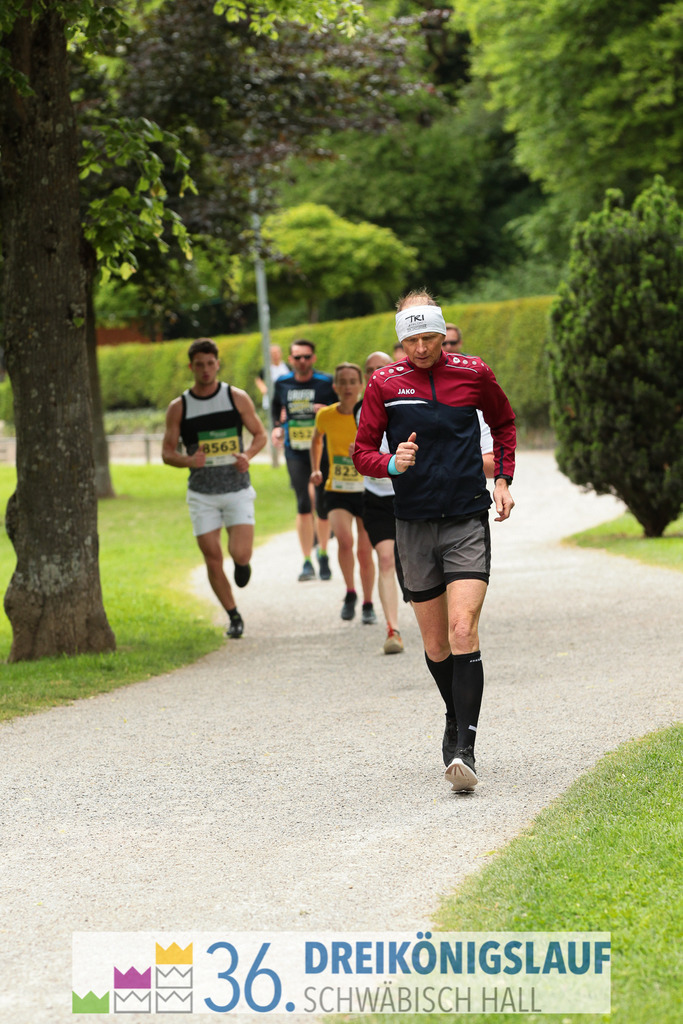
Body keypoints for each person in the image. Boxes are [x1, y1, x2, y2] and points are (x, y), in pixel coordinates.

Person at [353, 291, 516, 792]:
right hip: (414, 521)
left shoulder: (473, 371)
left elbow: (503, 422)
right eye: (412, 340)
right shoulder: (384, 383)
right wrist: (391, 463)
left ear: (444, 332)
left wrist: (503, 478)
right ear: (400, 340)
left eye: (430, 337)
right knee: (436, 642)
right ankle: (453, 714)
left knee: (464, 628)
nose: (422, 348)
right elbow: (361, 452)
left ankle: (465, 747)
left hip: (466, 517)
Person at [162, 338, 267, 639]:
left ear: (217, 364)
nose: (206, 370)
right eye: (199, 365)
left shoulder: (236, 397)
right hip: (201, 495)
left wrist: (247, 456)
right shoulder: (179, 407)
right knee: (212, 557)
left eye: (210, 363)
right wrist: (188, 460)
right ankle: (233, 615)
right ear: (191, 367)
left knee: (240, 552)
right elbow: (167, 453)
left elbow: (259, 435)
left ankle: (243, 564)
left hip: (236, 489)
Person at [310, 363, 376, 623]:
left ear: (361, 385)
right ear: (335, 387)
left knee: (364, 549)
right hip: (336, 487)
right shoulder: (325, 415)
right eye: (343, 382)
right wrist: (316, 468)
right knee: (345, 540)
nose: (348, 387)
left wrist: (363, 454)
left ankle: (368, 602)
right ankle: (350, 593)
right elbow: (315, 440)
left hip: (367, 488)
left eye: (352, 381)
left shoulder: (372, 413)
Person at [354, 351, 407, 654]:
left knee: (412, 562)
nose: (376, 374)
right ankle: (393, 630)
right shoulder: (361, 409)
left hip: (408, 495)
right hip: (376, 496)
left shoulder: (409, 400)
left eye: (381, 368)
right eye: (370, 369)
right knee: (385, 559)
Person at [271, 339, 336, 582]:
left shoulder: (326, 382)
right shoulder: (282, 383)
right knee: (302, 503)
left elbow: (341, 409)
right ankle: (307, 560)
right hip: (295, 449)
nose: (302, 361)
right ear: (290, 360)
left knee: (322, 502)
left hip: (321, 449)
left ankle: (323, 554)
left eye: (307, 356)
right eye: (297, 357)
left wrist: (326, 410)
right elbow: (277, 411)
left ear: (314, 358)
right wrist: (278, 428)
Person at [254, 343, 289, 411]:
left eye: (276, 353)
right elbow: (259, 379)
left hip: (285, 397)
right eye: (272, 353)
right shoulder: (266, 368)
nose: (275, 355)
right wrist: (263, 388)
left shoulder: (287, 367)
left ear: (281, 353)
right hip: (271, 399)